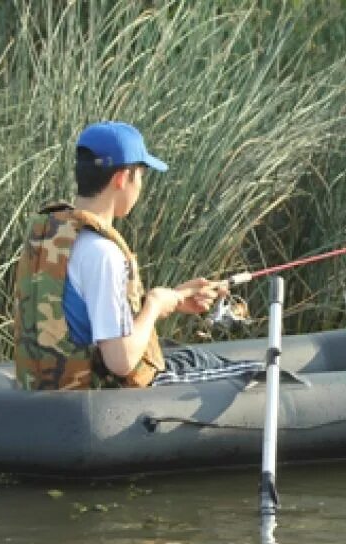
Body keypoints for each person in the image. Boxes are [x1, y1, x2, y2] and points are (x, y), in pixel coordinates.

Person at [13, 121, 263, 390]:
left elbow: (85, 311)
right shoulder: (102, 253)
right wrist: (154, 304)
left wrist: (176, 299)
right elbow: (120, 362)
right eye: (141, 175)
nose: (141, 185)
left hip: (53, 387)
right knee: (258, 378)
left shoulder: (55, 237)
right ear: (122, 178)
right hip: (98, 398)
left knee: (195, 358)